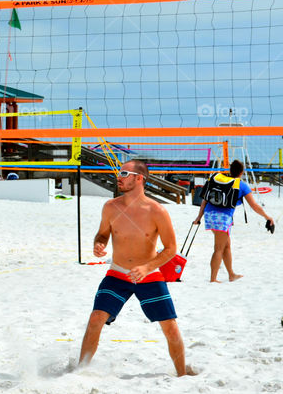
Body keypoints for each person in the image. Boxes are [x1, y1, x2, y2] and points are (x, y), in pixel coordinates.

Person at [78, 160, 188, 377]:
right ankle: (80, 371)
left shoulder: (157, 210)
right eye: (119, 173)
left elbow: (171, 249)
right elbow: (103, 233)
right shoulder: (111, 206)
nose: (119, 177)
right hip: (117, 273)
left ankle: (182, 376)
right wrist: (99, 243)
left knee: (171, 328)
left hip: (148, 275)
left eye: (125, 173)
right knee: (96, 318)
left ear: (139, 178)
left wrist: (147, 267)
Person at [192, 160, 275, 283]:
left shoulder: (217, 179)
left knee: (226, 245)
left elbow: (204, 200)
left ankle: (231, 274)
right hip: (222, 217)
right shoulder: (241, 185)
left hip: (209, 214)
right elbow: (254, 206)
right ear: (242, 172)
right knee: (219, 248)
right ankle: (213, 279)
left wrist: (199, 217)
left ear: (230, 170)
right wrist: (268, 217)